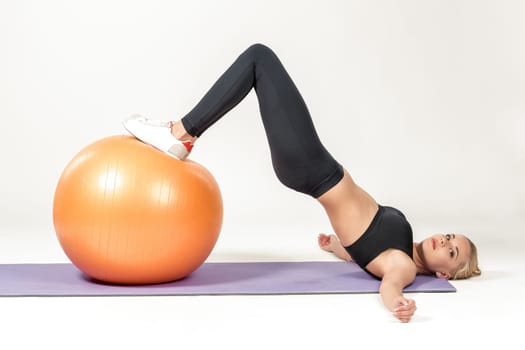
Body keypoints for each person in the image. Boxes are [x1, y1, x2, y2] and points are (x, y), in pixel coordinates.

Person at [123, 43, 481, 323]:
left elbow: (389, 284)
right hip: (315, 165)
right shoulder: (402, 246)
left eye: (452, 252)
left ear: (442, 272)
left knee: (258, 59)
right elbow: (366, 255)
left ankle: (180, 133)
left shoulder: (402, 266)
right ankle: (181, 132)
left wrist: (399, 305)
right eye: (451, 237)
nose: (445, 241)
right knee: (259, 62)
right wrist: (336, 248)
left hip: (312, 167)